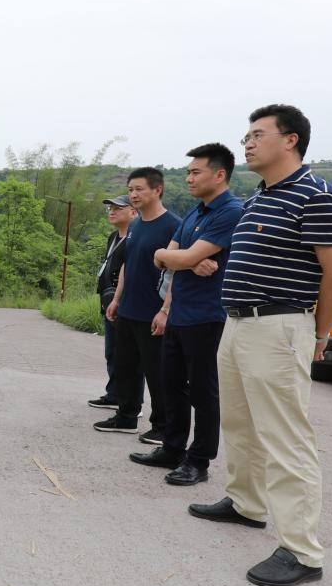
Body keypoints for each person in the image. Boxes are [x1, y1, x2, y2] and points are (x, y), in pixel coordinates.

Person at [189, 105, 332, 586]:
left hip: (279, 327)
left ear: (291, 140)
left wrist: (318, 336)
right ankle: (246, 503)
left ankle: (302, 551)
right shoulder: (260, 198)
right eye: (246, 136)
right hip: (238, 325)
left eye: (258, 135)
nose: (247, 143)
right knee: (238, 422)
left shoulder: (316, 196)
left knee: (286, 438)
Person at [129, 144, 244, 486]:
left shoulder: (231, 211)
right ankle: (172, 448)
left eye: (196, 172)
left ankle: (199, 460)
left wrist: (180, 258)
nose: (189, 178)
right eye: (189, 172)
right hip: (179, 313)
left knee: (203, 393)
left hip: (208, 317)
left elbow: (175, 258)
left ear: (219, 175)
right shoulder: (195, 213)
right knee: (172, 384)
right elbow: (165, 258)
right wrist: (183, 258)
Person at [95, 168, 181, 441]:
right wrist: (117, 300)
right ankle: (126, 416)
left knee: (157, 373)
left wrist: (165, 310)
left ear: (157, 190)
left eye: (139, 189)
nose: (133, 194)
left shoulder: (173, 226)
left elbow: (177, 273)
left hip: (153, 312)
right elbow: (126, 266)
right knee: (125, 366)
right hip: (128, 310)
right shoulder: (134, 226)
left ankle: (162, 427)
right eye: (130, 189)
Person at [88, 195, 135, 410]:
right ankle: (114, 394)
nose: (112, 212)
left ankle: (131, 401)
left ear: (133, 212)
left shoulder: (135, 238)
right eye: (110, 209)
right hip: (108, 302)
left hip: (126, 303)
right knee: (112, 352)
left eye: (118, 208)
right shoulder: (113, 237)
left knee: (128, 355)